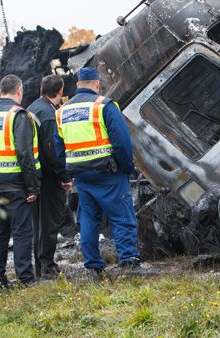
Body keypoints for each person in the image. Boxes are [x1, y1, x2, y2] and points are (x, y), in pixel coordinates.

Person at [56, 67, 140, 280]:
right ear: (96, 84)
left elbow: (58, 148)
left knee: (88, 221)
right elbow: (122, 142)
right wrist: (126, 167)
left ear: (77, 85)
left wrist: (67, 174)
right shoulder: (104, 106)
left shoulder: (61, 112)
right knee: (122, 217)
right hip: (108, 174)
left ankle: (93, 267)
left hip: (81, 177)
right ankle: (129, 262)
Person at [0, 74, 41, 293]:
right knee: (22, 232)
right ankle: (25, 278)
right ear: (19, 91)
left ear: (0, 90)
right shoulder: (18, 115)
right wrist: (32, 186)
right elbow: (24, 154)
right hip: (15, 183)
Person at [27, 75, 72, 279]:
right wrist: (64, 176)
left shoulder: (32, 108)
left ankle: (40, 266)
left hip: (34, 176)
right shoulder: (48, 114)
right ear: (60, 91)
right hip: (48, 177)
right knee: (49, 223)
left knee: (39, 223)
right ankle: (47, 267)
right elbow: (52, 150)